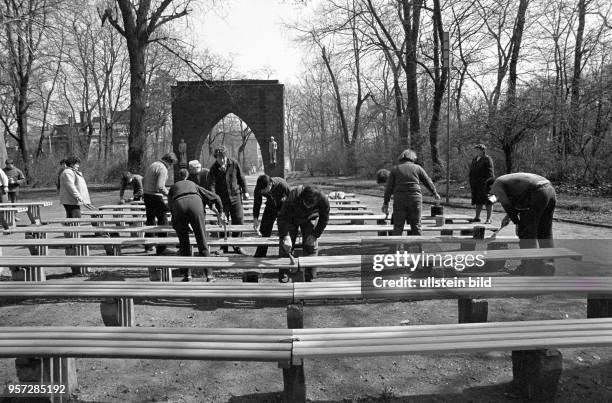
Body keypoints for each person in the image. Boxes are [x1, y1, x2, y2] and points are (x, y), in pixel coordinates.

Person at [487, 173, 556, 275]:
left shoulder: (497, 184)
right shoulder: (510, 182)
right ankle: (549, 265)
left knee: (527, 235)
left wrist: (517, 222)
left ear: (490, 187)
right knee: (545, 232)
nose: (495, 196)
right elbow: (517, 203)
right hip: (550, 189)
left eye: (492, 193)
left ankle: (529, 267)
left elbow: (507, 205)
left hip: (537, 192)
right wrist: (508, 217)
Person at [168, 169, 225, 282]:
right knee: (202, 242)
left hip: (178, 205)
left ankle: (187, 276)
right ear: (188, 176)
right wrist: (221, 212)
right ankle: (209, 276)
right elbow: (216, 197)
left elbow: (170, 207)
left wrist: (180, 223)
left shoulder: (173, 187)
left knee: (184, 244)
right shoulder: (193, 185)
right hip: (195, 203)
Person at [277, 185, 330, 282]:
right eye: (305, 203)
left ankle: (310, 276)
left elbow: (324, 219)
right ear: (302, 198)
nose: (307, 207)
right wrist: (285, 236)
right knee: (285, 246)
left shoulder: (323, 200)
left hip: (310, 218)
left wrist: (315, 235)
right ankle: (284, 274)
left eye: (310, 205)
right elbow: (282, 217)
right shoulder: (293, 196)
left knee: (311, 246)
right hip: (291, 219)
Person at [382, 149, 440, 236]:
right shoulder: (418, 168)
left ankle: (395, 248)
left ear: (401, 158)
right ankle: (417, 247)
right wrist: (434, 193)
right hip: (415, 199)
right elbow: (427, 181)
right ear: (413, 158)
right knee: (416, 226)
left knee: (398, 227)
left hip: (399, 200)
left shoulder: (395, 169)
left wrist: (386, 203)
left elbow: (389, 188)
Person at [207, 146, 249, 255]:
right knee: (222, 222)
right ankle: (223, 247)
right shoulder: (213, 169)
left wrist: (245, 191)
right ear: (216, 158)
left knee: (239, 221)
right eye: (218, 158)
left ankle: (237, 246)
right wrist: (214, 200)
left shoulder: (234, 164)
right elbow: (211, 185)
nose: (221, 160)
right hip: (221, 200)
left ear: (226, 156)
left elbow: (241, 177)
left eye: (223, 157)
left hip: (236, 197)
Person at [143, 152, 177, 255]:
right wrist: (170, 195)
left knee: (150, 220)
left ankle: (148, 245)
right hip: (155, 197)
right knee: (163, 221)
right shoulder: (163, 168)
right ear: (170, 162)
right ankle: (162, 249)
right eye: (172, 165)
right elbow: (160, 186)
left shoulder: (153, 164)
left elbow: (144, 179)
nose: (171, 167)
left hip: (146, 195)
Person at [252, 174, 290, 257]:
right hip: (270, 206)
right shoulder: (259, 187)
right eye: (260, 190)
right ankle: (260, 255)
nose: (261, 192)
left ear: (270, 184)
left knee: (284, 230)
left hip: (282, 206)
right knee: (264, 230)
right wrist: (255, 219)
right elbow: (257, 203)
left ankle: (284, 254)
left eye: (264, 190)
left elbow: (291, 198)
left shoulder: (282, 184)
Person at [469, 144, 495, 224]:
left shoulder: (487, 159)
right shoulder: (474, 159)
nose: (476, 151)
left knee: (489, 201)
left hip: (486, 184)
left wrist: (489, 184)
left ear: (483, 150)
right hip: (476, 184)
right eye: (475, 150)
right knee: (478, 201)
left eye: (478, 150)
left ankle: (488, 219)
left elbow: (490, 173)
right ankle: (477, 217)